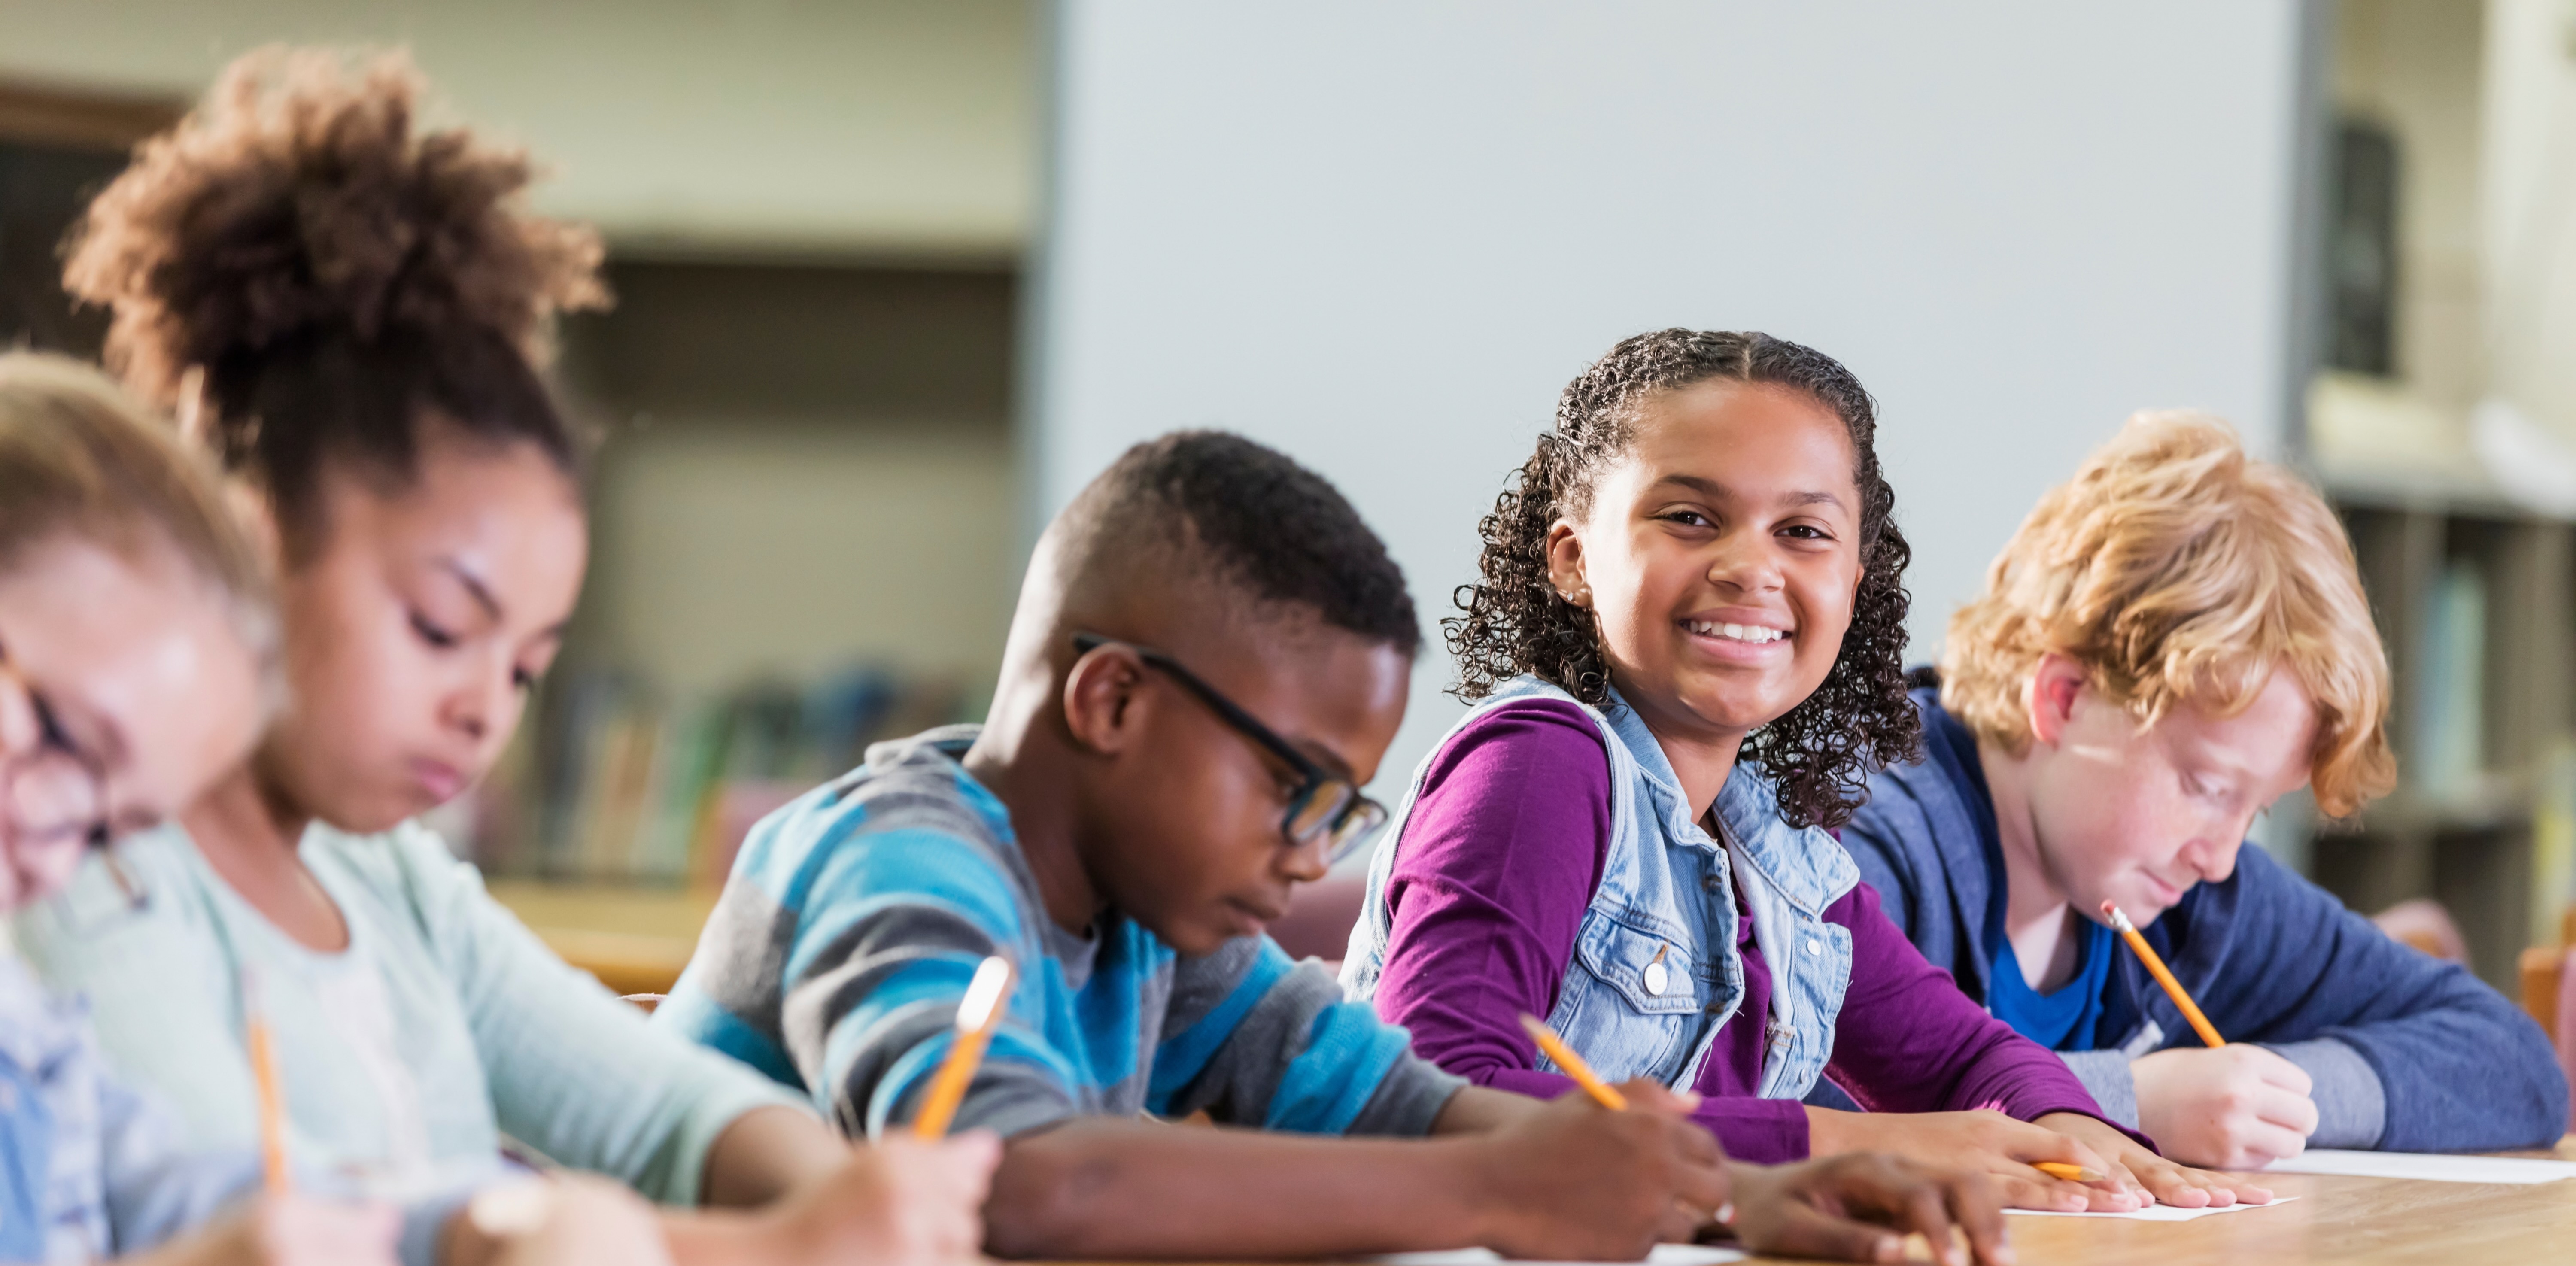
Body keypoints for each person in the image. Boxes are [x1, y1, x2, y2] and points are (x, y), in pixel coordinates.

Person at [16, 46, 993, 1265]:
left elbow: (665, 1107)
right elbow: (261, 1226)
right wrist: (779, 1245)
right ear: (252, 545)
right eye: (439, 628)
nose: (486, 709)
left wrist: (852, 1202)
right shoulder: (82, 860)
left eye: (527, 666)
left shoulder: (392, 884)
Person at [657, 429, 2013, 1266]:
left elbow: (1395, 1098)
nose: (1310, 859)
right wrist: (1500, 1185)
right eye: (1293, 789)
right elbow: (1020, 1182)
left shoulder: (1157, 921)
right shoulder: (901, 862)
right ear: (1112, 701)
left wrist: (1736, 1194)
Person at [1342, 329, 2269, 1213]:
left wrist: (2066, 1126)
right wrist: (1839, 1141)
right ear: (1575, 558)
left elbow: (1962, 1053)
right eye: (1690, 516)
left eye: (1803, 531)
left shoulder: (1774, 845)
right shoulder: (1540, 765)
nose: (1752, 566)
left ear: (1854, 582)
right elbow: (1441, 1097)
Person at [1840, 411, 2570, 1168]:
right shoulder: (1860, 837)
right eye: (2207, 785)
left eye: (2255, 808)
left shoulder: (2194, 898)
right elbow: (1782, 1108)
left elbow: (2516, 1064)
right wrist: (2127, 1102)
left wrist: (2277, 1096)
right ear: (2062, 698)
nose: (2221, 856)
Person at [0, 349, 398, 1265]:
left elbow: (177, 1175)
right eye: (64, 740)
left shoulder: (23, 1025)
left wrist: (476, 1222)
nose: (55, 861)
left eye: (109, 833)